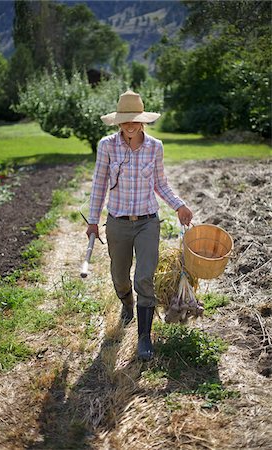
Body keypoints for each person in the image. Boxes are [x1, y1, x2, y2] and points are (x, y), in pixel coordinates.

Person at [86, 90, 193, 361]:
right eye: (125, 120)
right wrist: (93, 221)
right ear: (118, 121)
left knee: (144, 278)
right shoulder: (106, 146)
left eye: (134, 119)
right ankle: (126, 303)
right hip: (118, 223)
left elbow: (160, 183)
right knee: (119, 276)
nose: (130, 125)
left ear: (142, 121)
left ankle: (144, 337)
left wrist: (179, 205)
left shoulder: (155, 147)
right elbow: (99, 185)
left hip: (147, 222)